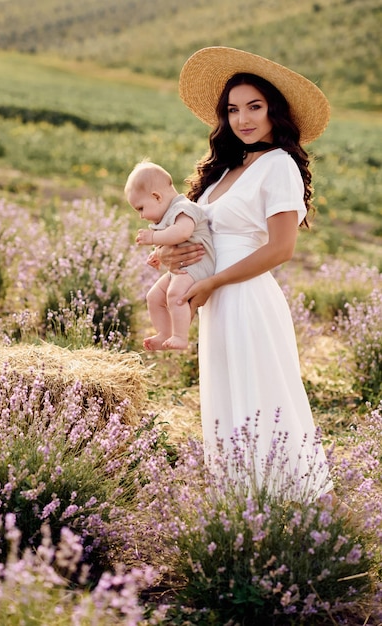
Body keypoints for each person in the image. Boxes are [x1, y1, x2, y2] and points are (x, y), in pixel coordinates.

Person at [157, 46, 333, 499]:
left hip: (246, 295)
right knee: (228, 396)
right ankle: (240, 501)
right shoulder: (227, 169)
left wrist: (213, 281)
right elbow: (205, 231)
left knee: (262, 395)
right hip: (216, 298)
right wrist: (175, 258)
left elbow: (281, 248)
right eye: (233, 109)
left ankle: (288, 503)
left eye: (255, 107)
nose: (243, 118)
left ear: (276, 111)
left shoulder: (279, 166)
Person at [124, 161, 215, 350]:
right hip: (184, 267)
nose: (141, 216)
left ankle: (180, 337)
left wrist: (153, 237)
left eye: (140, 208)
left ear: (156, 196)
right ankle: (164, 333)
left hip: (199, 263)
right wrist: (157, 253)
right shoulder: (167, 213)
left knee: (175, 294)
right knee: (154, 296)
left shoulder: (185, 208)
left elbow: (182, 233)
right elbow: (172, 241)